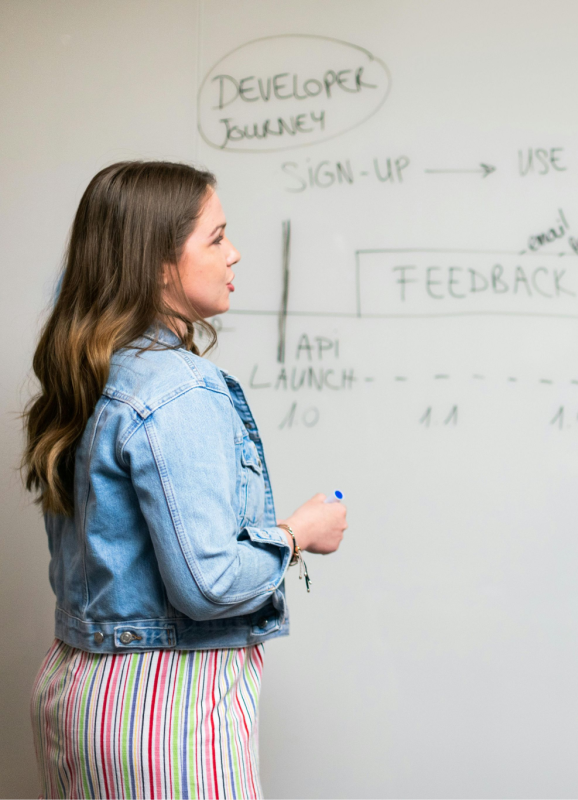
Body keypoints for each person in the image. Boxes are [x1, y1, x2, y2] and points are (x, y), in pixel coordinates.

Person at [21, 161, 348, 798]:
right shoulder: (179, 387)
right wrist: (298, 533)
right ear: (160, 263)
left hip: (76, 693)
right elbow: (209, 583)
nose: (235, 253)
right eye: (216, 237)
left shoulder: (92, 370)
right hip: (165, 708)